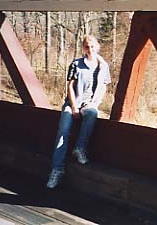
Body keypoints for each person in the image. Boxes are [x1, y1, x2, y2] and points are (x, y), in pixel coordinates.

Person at [47, 35, 111, 189]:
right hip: (72, 103)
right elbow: (69, 86)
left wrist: (96, 103)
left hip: (89, 104)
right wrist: (74, 107)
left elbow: (104, 86)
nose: (90, 49)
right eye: (87, 46)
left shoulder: (103, 66)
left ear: (98, 46)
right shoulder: (76, 64)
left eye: (93, 46)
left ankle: (80, 147)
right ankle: (56, 170)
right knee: (63, 132)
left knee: (92, 113)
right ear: (83, 48)